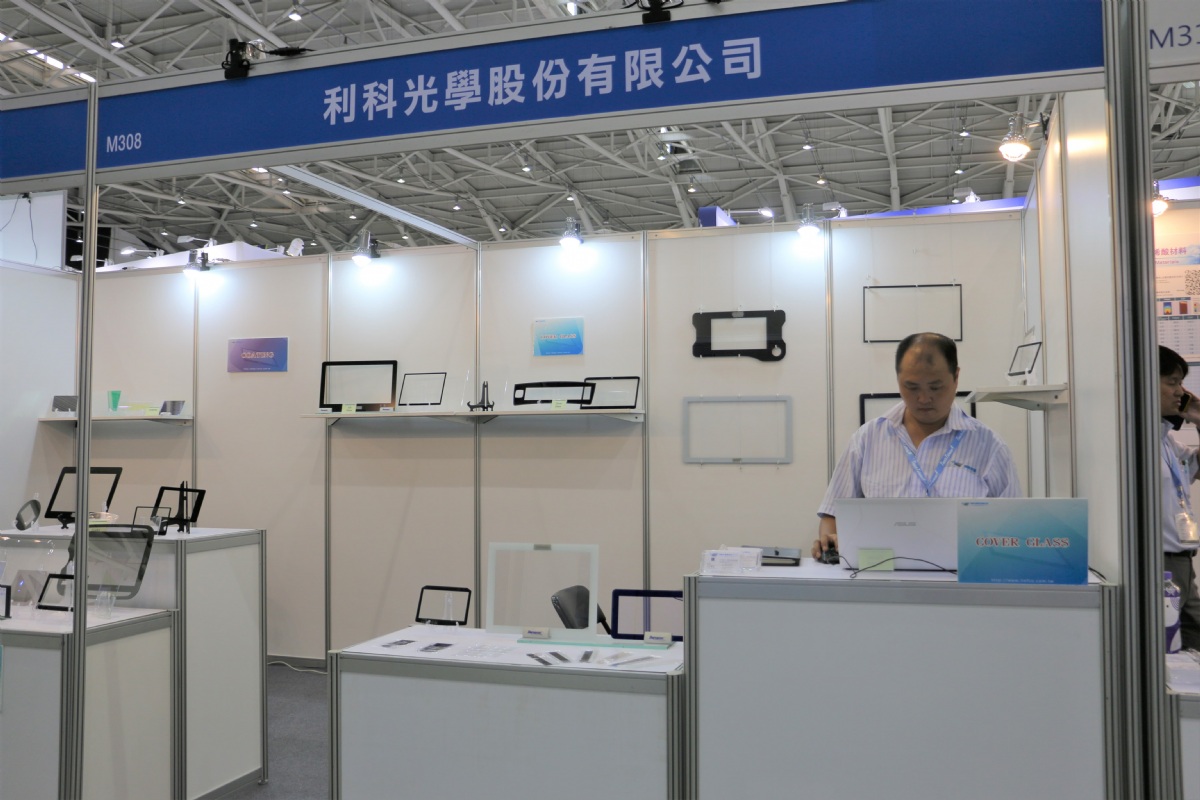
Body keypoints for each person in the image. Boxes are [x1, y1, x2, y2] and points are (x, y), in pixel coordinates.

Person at [812, 332, 1021, 559]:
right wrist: (830, 541)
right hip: (881, 573)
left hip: (960, 575)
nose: (923, 398)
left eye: (935, 387)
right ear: (898, 380)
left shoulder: (990, 447)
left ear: (956, 377)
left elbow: (1014, 527)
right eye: (912, 387)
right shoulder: (867, 440)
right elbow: (832, 515)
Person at [1159, 345, 1200, 649]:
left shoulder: (1167, 441)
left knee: (1193, 645)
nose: (1180, 392)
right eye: (1172, 382)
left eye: (1181, 384)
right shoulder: (1131, 440)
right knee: (1168, 650)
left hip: (1183, 563)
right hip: (1161, 564)